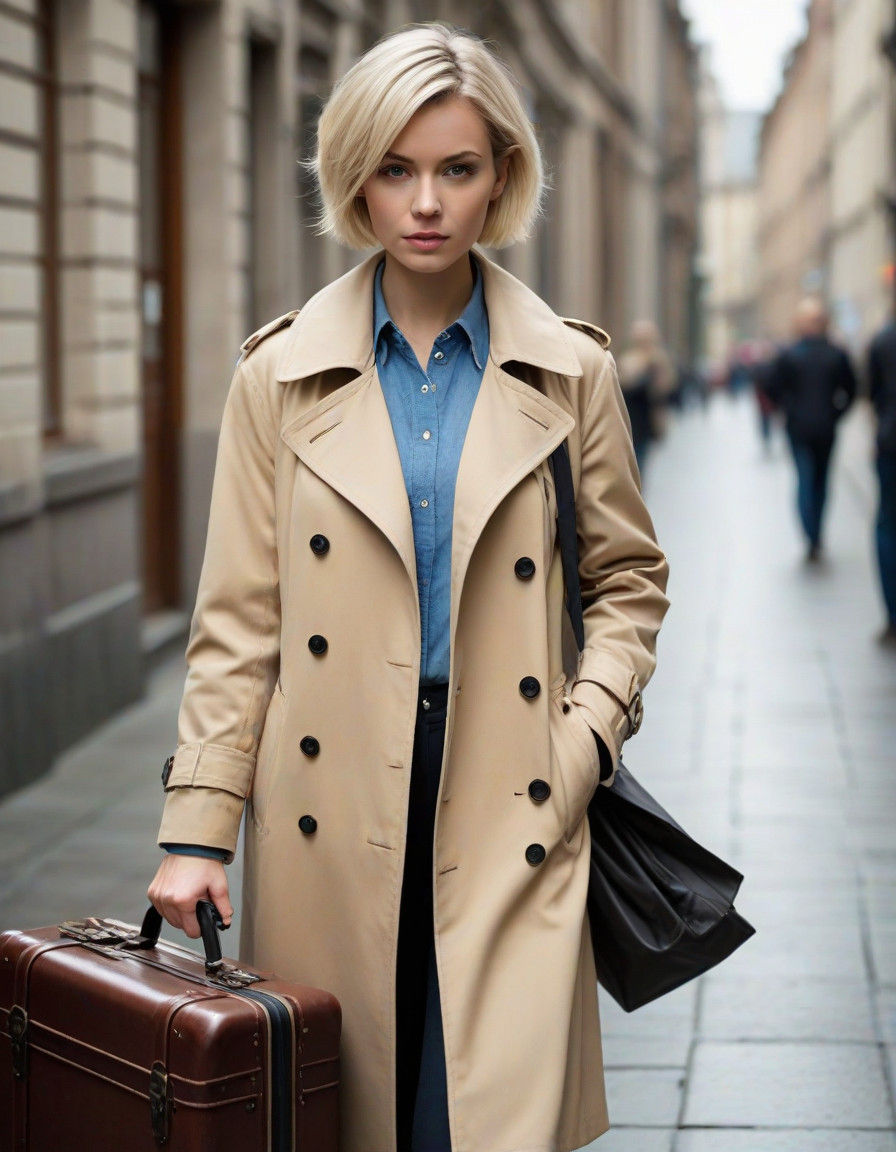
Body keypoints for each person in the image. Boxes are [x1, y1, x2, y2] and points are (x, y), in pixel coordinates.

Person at [147, 24, 669, 1152]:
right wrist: (196, 828)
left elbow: (628, 582)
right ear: (355, 181)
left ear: (500, 180)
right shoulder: (275, 375)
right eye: (395, 169)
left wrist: (578, 744)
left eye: (456, 169)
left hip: (512, 785)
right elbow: (238, 622)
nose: (425, 202)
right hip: (329, 800)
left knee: (478, 1116)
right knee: (350, 1108)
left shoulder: (570, 370)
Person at [766, 296, 857, 562]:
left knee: (805, 479)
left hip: (798, 427)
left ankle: (811, 534)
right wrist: (836, 414)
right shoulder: (836, 353)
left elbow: (772, 388)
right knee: (821, 481)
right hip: (826, 426)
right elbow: (851, 389)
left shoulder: (790, 354)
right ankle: (816, 532)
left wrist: (787, 409)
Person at [867, 313, 896, 646]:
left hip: (890, 441)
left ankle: (892, 614)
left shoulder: (884, 340)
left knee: (887, 525)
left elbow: (872, 394)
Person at [615, 318, 674, 474]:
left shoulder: (658, 359)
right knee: (631, 464)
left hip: (645, 421)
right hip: (627, 417)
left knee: (639, 464)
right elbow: (622, 386)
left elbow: (665, 389)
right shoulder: (627, 359)